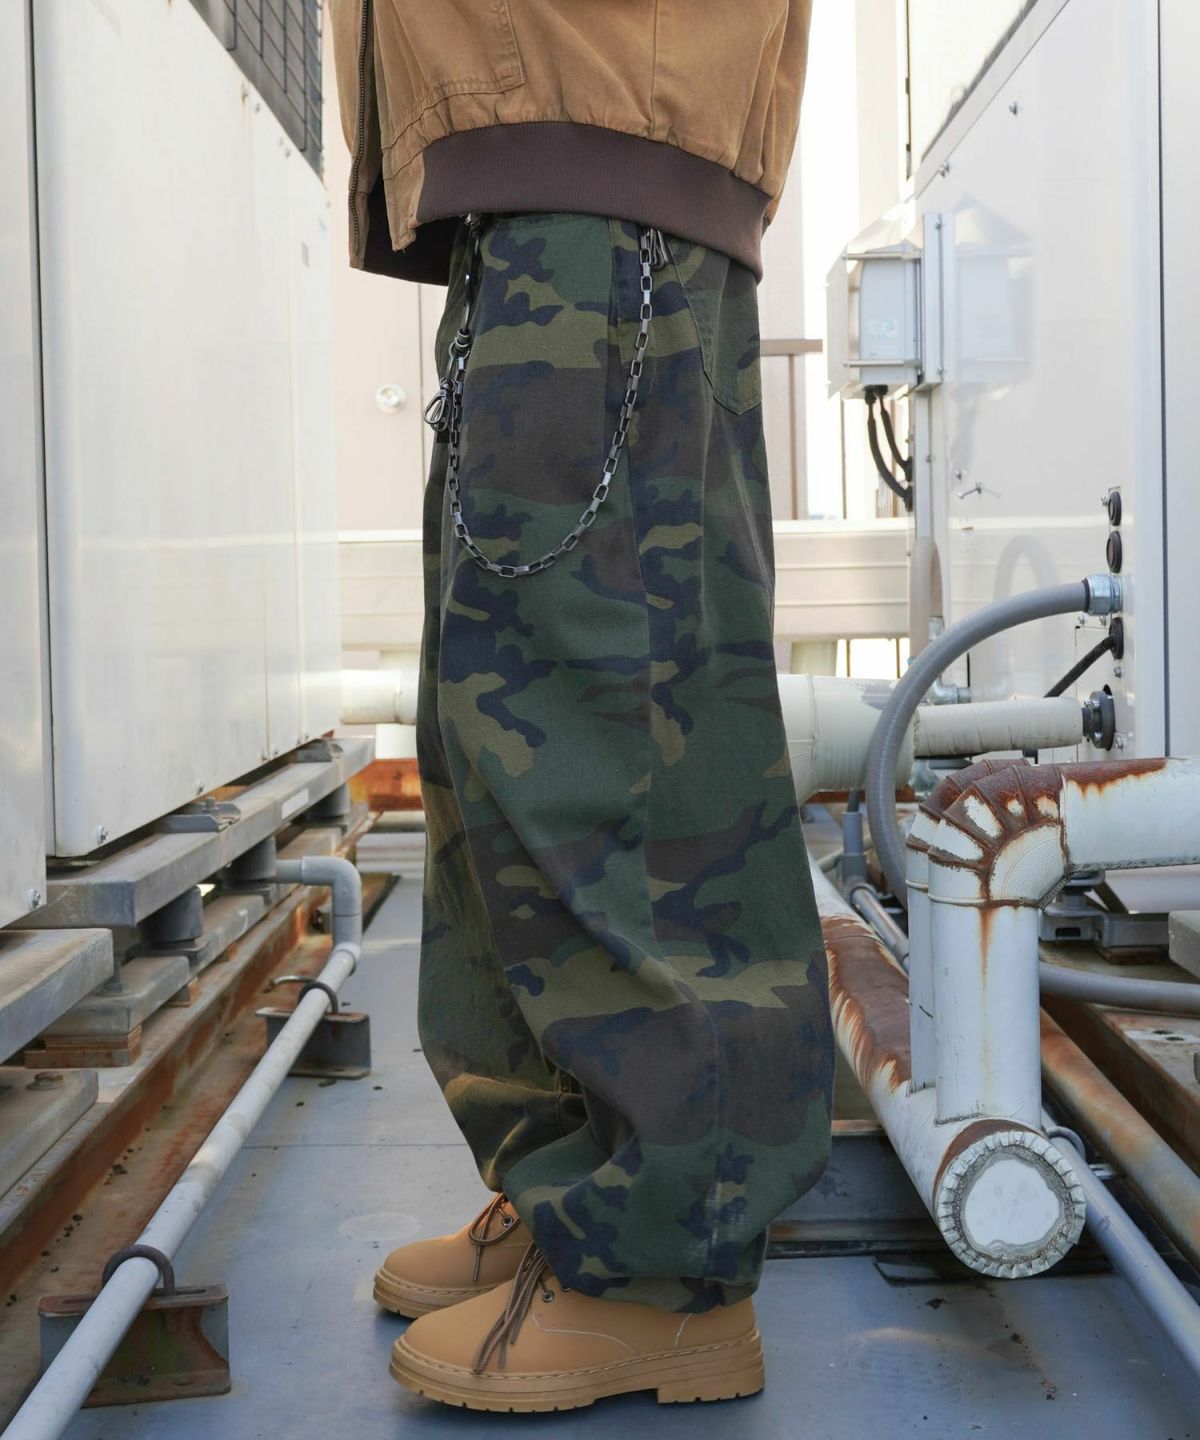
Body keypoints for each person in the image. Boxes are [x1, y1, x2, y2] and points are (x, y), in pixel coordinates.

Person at [329, 0, 833, 1412]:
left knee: (608, 720)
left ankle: (661, 1273)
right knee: (496, 714)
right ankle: (575, 1187)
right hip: (536, 133)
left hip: (605, 108)